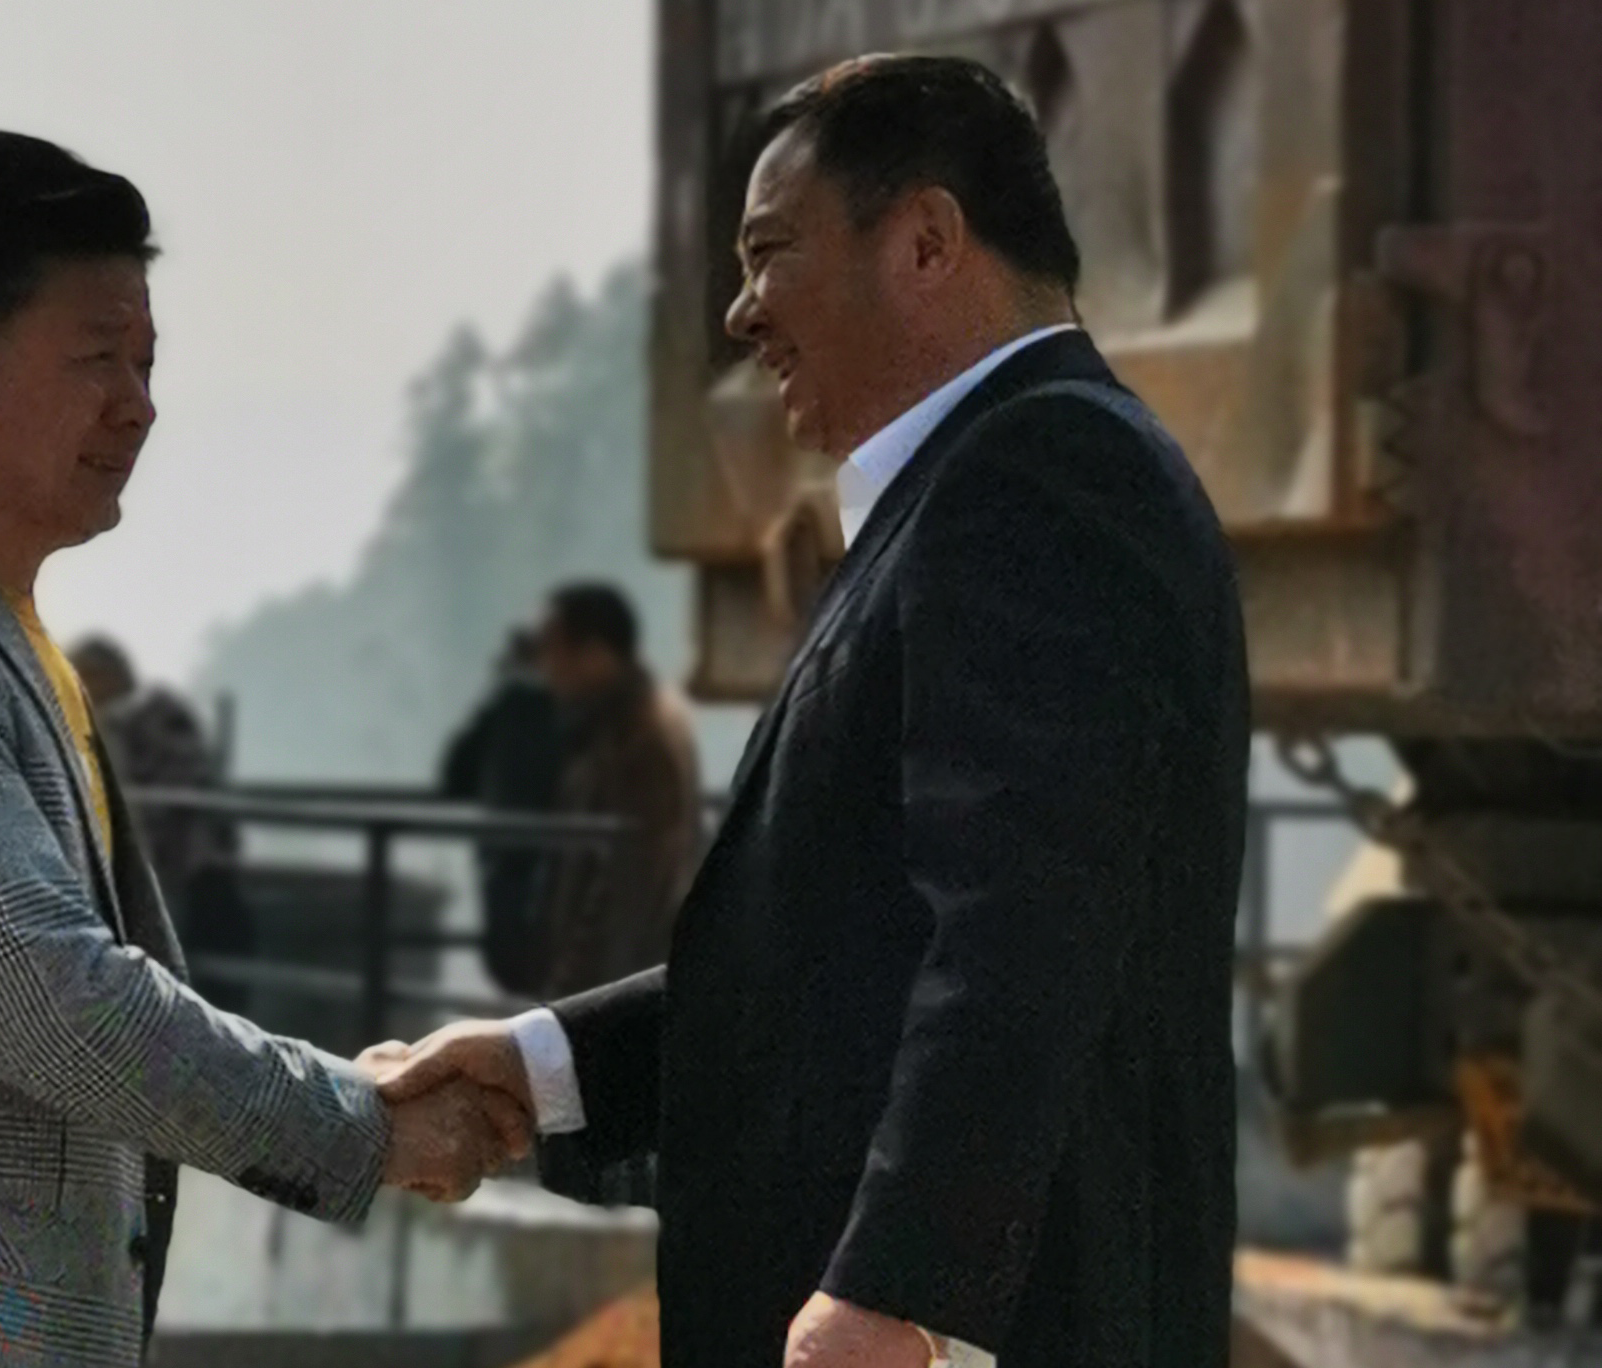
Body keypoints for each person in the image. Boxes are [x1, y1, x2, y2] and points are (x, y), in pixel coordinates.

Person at [370, 55, 1248, 1368]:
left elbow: (1024, 932)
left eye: (769, 253)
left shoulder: (1038, 478)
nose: (740, 314)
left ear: (927, 242)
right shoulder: (986, 481)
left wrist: (902, 1292)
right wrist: (542, 1066)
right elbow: (843, 961)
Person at [0, 130, 524, 1368]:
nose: (138, 403)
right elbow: (48, 999)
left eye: (146, 360)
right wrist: (360, 1124)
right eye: (94, 359)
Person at [528, 583, 705, 999]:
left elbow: (635, 884)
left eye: (554, 648)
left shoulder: (641, 734)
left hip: (620, 982)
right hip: (622, 979)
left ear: (595, 654)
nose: (546, 666)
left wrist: (575, 995)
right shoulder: (621, 723)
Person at [69, 636, 252, 1012]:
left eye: (89, 676)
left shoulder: (146, 715)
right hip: (167, 877)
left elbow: (175, 794)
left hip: (191, 873)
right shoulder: (109, 722)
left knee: (207, 988)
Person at [437, 628, 566, 996]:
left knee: (511, 957)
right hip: (555, 854)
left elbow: (455, 775)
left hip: (503, 851)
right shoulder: (572, 712)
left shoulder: (506, 707)